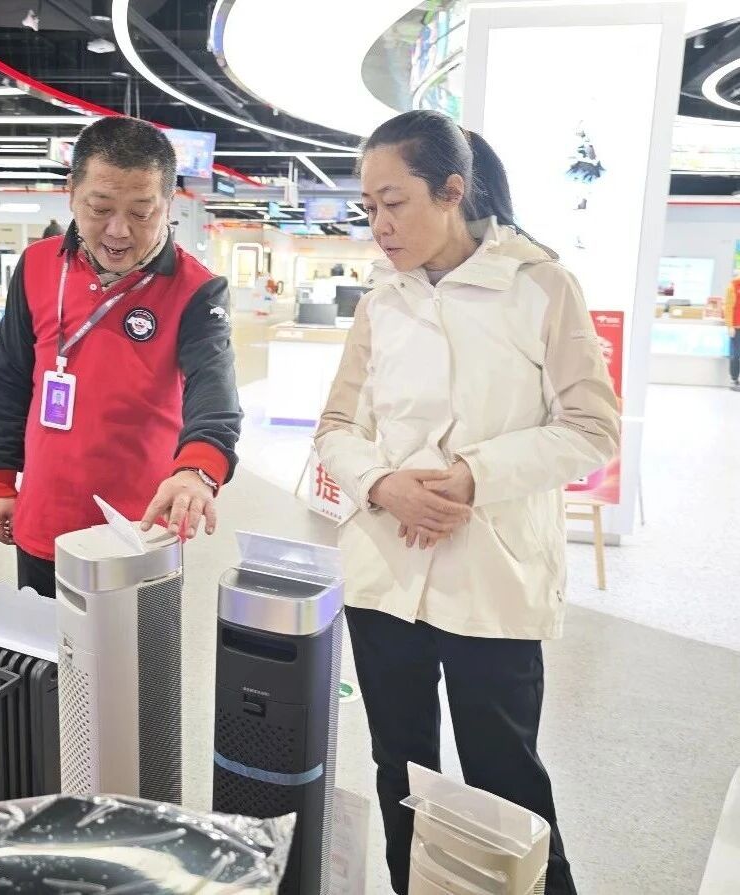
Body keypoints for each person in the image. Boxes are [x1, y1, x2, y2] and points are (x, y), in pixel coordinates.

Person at [315, 110, 620, 895]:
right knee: (399, 766)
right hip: (385, 574)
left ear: (451, 191)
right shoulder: (380, 301)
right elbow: (337, 427)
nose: (379, 225)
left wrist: (475, 476)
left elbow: (592, 427)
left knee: (503, 774)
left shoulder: (539, 285)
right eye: (368, 207)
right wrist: (381, 484)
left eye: (394, 202)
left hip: (493, 574)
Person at [0, 116, 242, 598]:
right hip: (44, 514)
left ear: (168, 204)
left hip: (139, 529)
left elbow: (215, 389)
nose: (118, 231)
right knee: (40, 644)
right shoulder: (37, 265)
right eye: (100, 208)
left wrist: (197, 471)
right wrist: (1, 481)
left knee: (135, 648)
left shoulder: (196, 289)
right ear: (71, 193)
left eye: (142, 213)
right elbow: (9, 378)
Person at [724, 272, 740, 390]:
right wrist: (729, 326)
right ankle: (734, 380)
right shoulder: (733, 285)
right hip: (736, 327)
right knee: (736, 355)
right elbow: (728, 308)